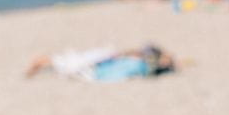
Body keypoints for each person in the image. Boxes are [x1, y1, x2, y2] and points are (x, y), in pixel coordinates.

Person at [25, 44, 177, 81]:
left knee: (45, 61)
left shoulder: (142, 63)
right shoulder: (144, 62)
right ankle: (32, 71)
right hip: (97, 66)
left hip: (93, 68)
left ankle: (30, 73)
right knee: (47, 61)